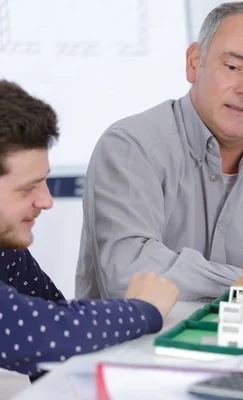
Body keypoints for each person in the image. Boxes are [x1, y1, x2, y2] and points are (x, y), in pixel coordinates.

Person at [75, 1, 243, 301]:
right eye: (233, 67)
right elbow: (128, 273)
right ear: (194, 63)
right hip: (140, 347)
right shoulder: (130, 148)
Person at [0, 79, 179, 377]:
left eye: (43, 180)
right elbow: (45, 334)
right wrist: (143, 308)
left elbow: (58, 329)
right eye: (27, 188)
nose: (46, 201)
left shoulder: (6, 250)